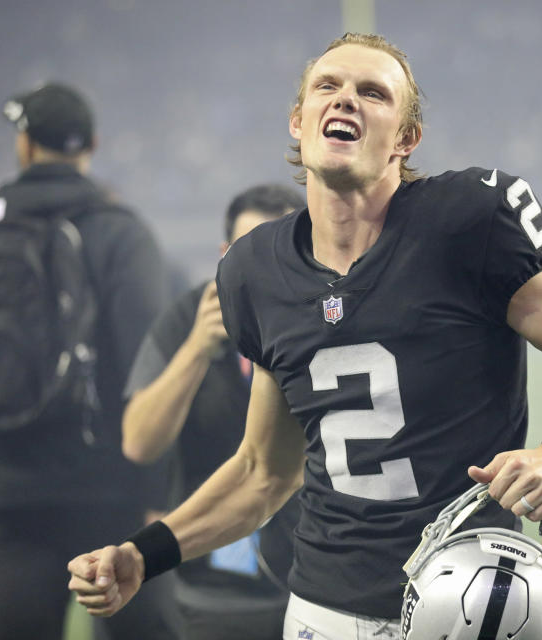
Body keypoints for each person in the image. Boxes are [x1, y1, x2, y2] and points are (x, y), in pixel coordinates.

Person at [68, 33, 542, 638]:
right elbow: (262, 473)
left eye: (373, 93)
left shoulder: (466, 225)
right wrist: (143, 555)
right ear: (298, 120)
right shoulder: (255, 271)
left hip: (460, 601)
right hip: (320, 610)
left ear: (406, 140)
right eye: (327, 86)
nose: (346, 100)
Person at [0, 83, 179, 640]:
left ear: (24, 146)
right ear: (91, 146)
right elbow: (151, 369)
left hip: (5, 496)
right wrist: (156, 493)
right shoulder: (121, 233)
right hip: (109, 494)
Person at [121, 184, 305, 640]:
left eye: (277, 251)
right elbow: (139, 443)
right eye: (248, 251)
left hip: (317, 580)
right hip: (214, 586)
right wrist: (196, 351)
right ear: (225, 254)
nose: (262, 269)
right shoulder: (188, 317)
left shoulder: (327, 316)